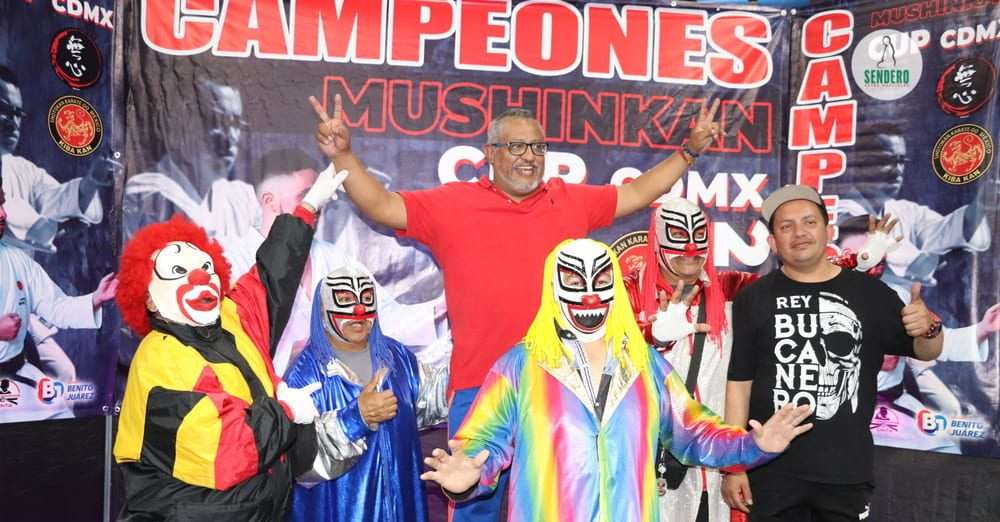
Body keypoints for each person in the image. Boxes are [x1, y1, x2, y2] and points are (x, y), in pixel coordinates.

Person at [311, 94, 724, 521]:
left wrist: (688, 152)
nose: (530, 157)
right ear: (490, 153)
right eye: (517, 146)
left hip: (560, 395)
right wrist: (343, 155)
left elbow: (636, 192)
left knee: (557, 510)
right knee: (474, 509)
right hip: (479, 390)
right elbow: (381, 205)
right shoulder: (452, 204)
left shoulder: (569, 200)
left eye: (538, 147)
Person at [419, 238, 813, 522]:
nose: (590, 297)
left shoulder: (644, 364)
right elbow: (484, 444)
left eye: (600, 280)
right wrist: (468, 475)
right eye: (575, 282)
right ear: (553, 289)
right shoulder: (520, 366)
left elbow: (693, 433)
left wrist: (754, 445)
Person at [622, 197, 894, 522]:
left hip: (720, 446)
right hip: (656, 449)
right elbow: (598, 349)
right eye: (678, 236)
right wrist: (651, 335)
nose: (690, 249)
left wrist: (860, 260)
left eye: (698, 236)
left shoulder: (729, 288)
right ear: (657, 238)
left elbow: (800, 278)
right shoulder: (627, 293)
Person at [112, 167, 350, 520]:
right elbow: (230, 450)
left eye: (205, 267)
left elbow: (272, 275)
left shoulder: (231, 317)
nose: (199, 277)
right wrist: (286, 409)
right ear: (147, 297)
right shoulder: (160, 359)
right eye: (178, 272)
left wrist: (307, 209)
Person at [723, 185, 944, 521]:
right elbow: (739, 384)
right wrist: (733, 465)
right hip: (769, 471)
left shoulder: (870, 294)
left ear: (828, 232)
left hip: (844, 473)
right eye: (786, 226)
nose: (799, 233)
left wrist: (929, 328)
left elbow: (925, 351)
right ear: (772, 242)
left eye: (809, 222)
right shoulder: (752, 299)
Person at [215, 148, 442, 375]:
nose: (318, 205)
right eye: (307, 195)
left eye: (321, 194)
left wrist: (442, 310)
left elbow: (385, 318)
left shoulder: (333, 258)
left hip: (336, 393)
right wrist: (298, 353)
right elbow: (231, 340)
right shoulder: (232, 262)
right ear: (270, 201)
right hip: (264, 390)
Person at [285, 261, 448, 522]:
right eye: (345, 299)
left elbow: (430, 400)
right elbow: (298, 462)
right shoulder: (304, 377)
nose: (359, 308)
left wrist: (467, 368)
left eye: (366, 298)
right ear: (323, 308)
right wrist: (355, 419)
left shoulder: (396, 356)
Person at [0, 182, 116, 423]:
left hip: (14, 377)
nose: (3, 214)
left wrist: (96, 299)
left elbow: (55, 307)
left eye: (2, 203)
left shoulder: (17, 260)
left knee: (61, 423)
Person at [0, 64, 115, 253]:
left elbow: (56, 199)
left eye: (17, 113)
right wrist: (55, 228)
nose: (14, 123)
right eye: (4, 110)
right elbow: (7, 211)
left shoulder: (25, 171)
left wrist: (92, 182)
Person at [122, 77, 256, 239]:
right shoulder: (148, 193)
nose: (231, 137)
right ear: (183, 124)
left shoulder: (241, 199)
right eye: (218, 121)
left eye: (236, 123)